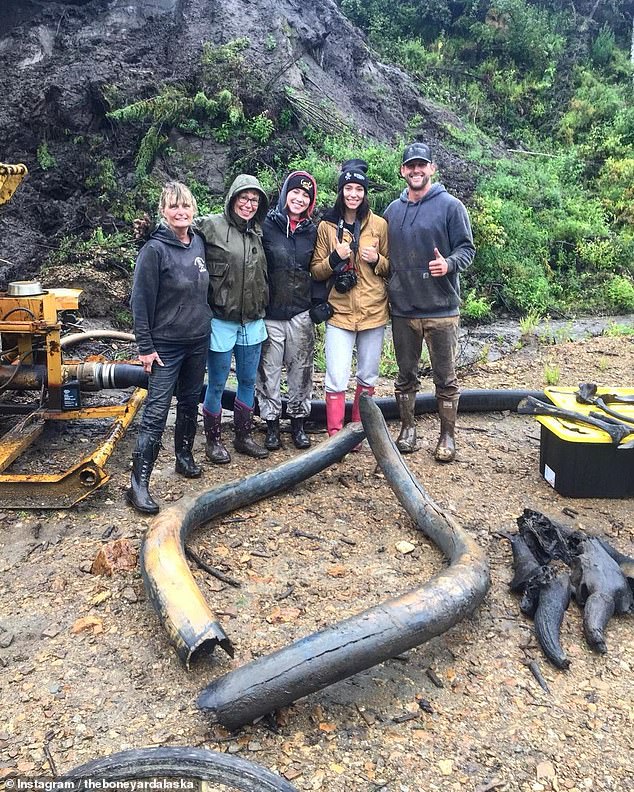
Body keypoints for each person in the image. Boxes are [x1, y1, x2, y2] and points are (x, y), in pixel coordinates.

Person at [384, 142, 475, 462]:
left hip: (442, 309)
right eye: (410, 165)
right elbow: (382, 256)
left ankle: (447, 437)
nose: (416, 170)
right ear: (402, 171)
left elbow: (467, 250)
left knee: (445, 380)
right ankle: (408, 430)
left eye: (421, 165)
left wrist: (448, 264)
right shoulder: (392, 212)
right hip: (403, 309)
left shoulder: (451, 206)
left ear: (432, 168)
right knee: (405, 375)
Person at [128, 181, 211, 514]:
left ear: (193, 210)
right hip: (165, 346)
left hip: (197, 340)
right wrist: (145, 347)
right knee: (156, 413)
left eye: (186, 206)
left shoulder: (198, 243)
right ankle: (138, 485)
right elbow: (140, 302)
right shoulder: (154, 250)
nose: (181, 212)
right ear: (163, 211)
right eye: (174, 207)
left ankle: (184, 457)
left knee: (190, 401)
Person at [310, 159, 389, 438]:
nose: (353, 194)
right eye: (348, 188)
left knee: (367, 377)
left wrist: (377, 259)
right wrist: (335, 258)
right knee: (336, 377)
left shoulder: (379, 225)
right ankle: (335, 436)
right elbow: (317, 271)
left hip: (373, 311)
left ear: (365, 193)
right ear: (341, 190)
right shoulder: (327, 227)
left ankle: (357, 433)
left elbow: (391, 268)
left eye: (359, 189)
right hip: (339, 312)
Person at [195, 174, 270, 463]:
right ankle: (213, 441)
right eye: (244, 198)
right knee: (216, 383)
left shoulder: (259, 232)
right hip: (221, 321)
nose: (249, 204)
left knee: (248, 381)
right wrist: (150, 230)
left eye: (254, 200)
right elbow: (180, 230)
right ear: (232, 198)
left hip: (252, 322)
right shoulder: (211, 225)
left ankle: (243, 436)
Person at [255, 171, 318, 451]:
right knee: (268, 372)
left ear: (310, 201)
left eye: (306, 195)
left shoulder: (312, 231)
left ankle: (298, 423)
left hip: (301, 314)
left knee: (301, 371)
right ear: (285, 194)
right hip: (270, 313)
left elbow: (319, 270)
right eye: (295, 192)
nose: (299, 198)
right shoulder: (265, 225)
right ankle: (271, 424)